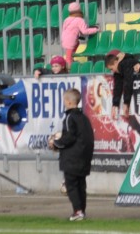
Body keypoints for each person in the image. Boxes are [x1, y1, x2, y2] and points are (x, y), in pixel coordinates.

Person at [49, 87, 95, 222]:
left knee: (71, 185)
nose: (64, 103)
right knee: (81, 185)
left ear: (69, 102)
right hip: (84, 157)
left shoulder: (70, 118)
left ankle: (78, 211)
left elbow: (69, 137)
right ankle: (82, 211)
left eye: (64, 100)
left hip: (72, 158)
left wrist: (56, 143)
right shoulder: (85, 118)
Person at [105, 50, 140, 117]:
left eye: (111, 68)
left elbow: (128, 83)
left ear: (116, 62)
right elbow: (118, 87)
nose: (112, 71)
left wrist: (126, 103)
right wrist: (115, 104)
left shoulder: (126, 64)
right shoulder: (118, 70)